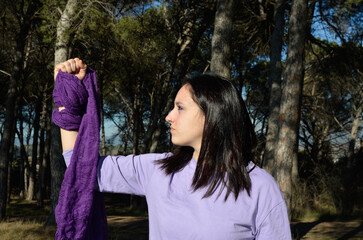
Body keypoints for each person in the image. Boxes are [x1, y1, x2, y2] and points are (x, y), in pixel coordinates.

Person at [55, 58, 291, 239]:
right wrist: (68, 100)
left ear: (213, 114)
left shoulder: (260, 187)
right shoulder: (158, 170)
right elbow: (81, 168)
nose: (168, 116)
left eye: (180, 107)